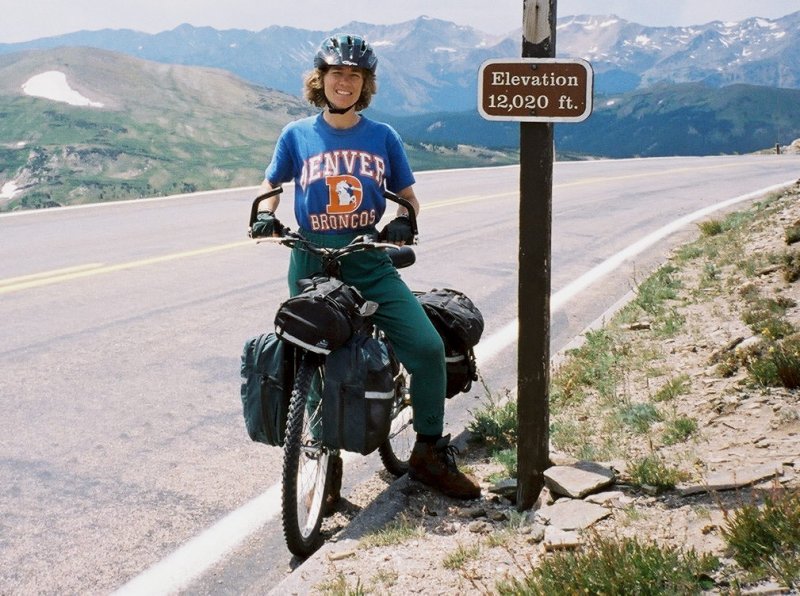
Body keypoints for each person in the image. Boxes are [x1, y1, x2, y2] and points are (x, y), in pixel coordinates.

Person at [253, 34, 480, 505]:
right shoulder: (297, 134)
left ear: (365, 84)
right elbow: (272, 183)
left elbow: (409, 199)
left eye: (355, 75)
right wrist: (264, 213)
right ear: (320, 80)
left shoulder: (383, 137)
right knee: (312, 363)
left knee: (425, 347)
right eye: (337, 73)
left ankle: (429, 452)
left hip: (369, 261)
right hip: (310, 261)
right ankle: (325, 459)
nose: (345, 82)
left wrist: (401, 221)